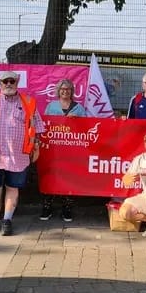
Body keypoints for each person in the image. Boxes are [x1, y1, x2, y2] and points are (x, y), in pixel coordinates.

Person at [0, 71, 45, 236]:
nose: (8, 84)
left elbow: (38, 128)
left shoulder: (28, 102)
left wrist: (37, 147)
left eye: (12, 81)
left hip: (18, 156)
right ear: (0, 84)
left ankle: (7, 220)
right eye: (5, 81)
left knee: (13, 188)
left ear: (17, 83)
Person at [40, 78, 85, 221]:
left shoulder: (79, 108)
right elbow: (44, 124)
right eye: (62, 89)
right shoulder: (51, 106)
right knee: (51, 176)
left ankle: (67, 208)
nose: (65, 91)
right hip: (54, 150)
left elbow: (87, 127)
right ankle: (47, 207)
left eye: (68, 89)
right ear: (58, 91)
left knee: (69, 178)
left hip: (72, 150)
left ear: (72, 92)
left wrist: (77, 120)